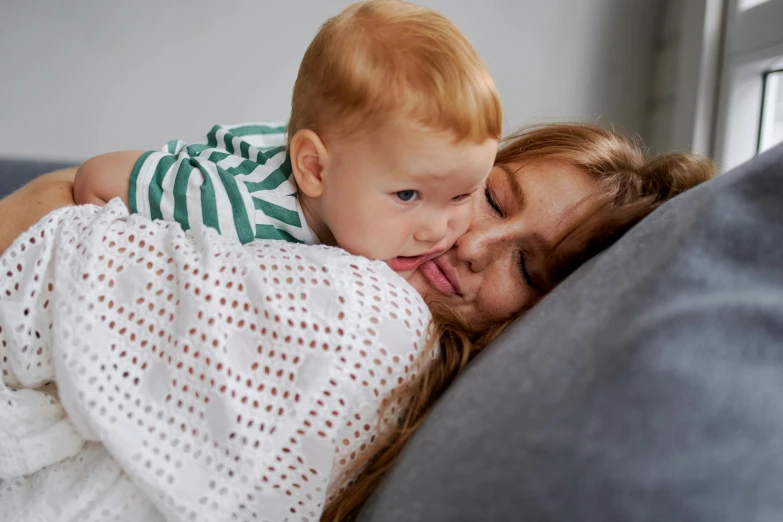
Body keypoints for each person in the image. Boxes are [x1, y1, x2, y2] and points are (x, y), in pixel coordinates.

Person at [0, 124, 713, 521]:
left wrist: (63, 192)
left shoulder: (369, 315)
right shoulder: (327, 225)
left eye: (526, 269)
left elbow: (34, 232)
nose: (472, 246)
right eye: (494, 200)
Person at [71, 0, 501, 278]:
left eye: (462, 196)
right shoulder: (233, 207)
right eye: (407, 194)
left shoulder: (363, 192)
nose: (436, 231)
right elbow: (98, 176)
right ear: (314, 169)